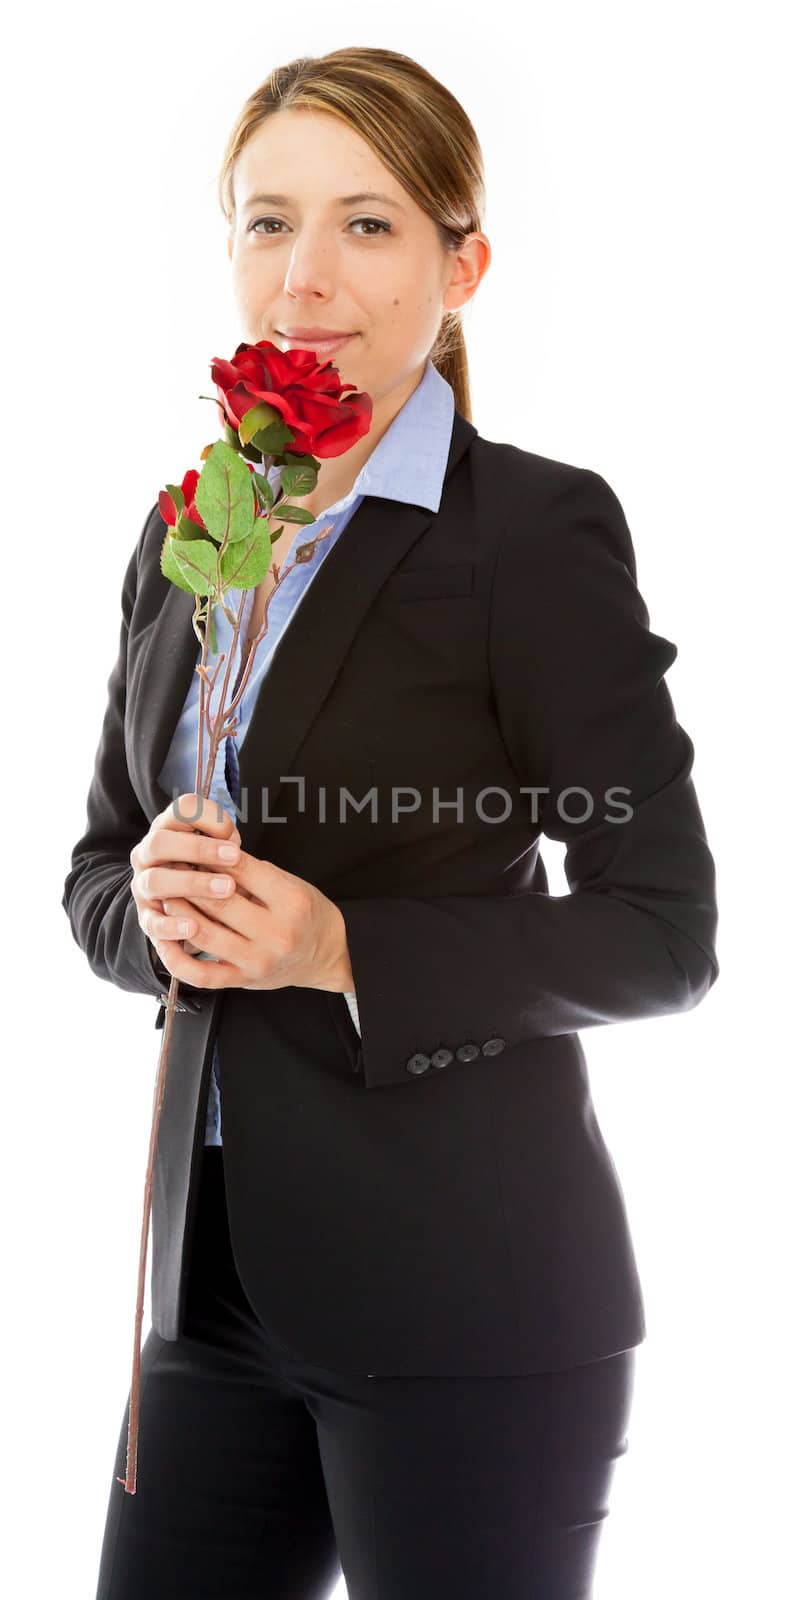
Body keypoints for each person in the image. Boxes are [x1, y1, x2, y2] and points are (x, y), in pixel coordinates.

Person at [62, 45, 720, 1600]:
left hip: (467, 1309)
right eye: (266, 221)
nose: (305, 275)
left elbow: (661, 931)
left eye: (366, 225)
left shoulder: (532, 534)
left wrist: (343, 946)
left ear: (460, 263)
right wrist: (148, 910)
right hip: (202, 1298)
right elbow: (100, 871)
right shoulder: (187, 530)